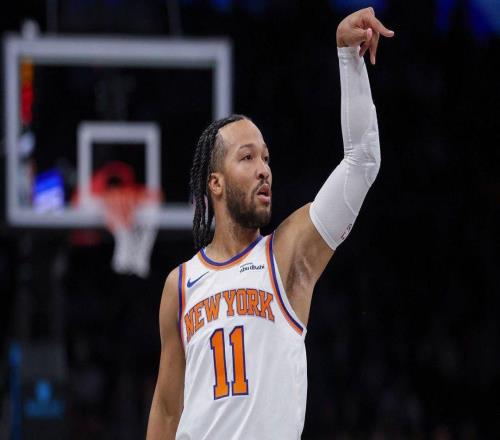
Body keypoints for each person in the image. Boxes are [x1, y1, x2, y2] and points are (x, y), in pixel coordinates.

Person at [146, 7, 394, 439]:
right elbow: (168, 411)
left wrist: (347, 58)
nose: (264, 169)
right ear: (215, 183)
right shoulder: (180, 285)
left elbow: (362, 162)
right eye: (247, 157)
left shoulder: (286, 255)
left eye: (266, 157)